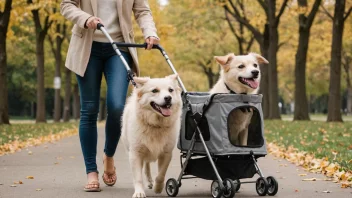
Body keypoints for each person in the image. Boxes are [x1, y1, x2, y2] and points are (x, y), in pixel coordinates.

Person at [60, 0, 159, 192]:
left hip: (119, 47)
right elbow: (67, 5)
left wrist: (150, 32)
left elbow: (142, 11)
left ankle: (109, 154)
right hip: (87, 46)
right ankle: (91, 172)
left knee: (116, 107)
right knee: (89, 110)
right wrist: (85, 18)